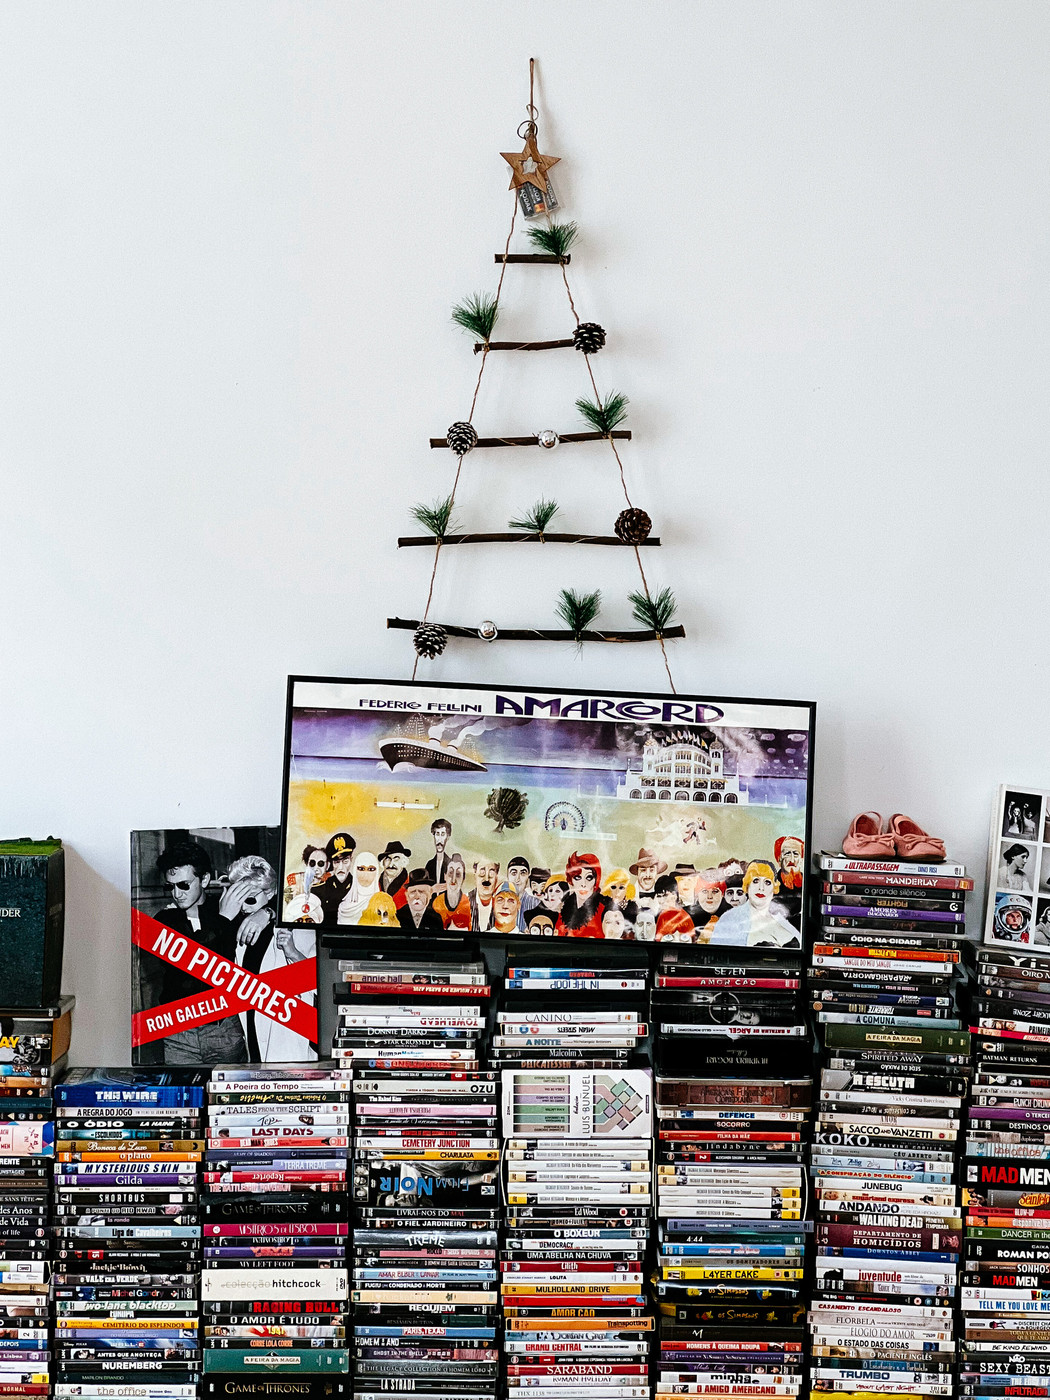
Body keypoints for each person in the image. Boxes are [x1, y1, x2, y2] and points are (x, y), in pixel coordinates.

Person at [146, 840, 247, 1065]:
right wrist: (224, 921)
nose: (176, 894)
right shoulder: (164, 920)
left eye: (183, 885)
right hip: (179, 1033)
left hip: (224, 1030)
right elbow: (195, 964)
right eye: (170, 886)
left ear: (204, 879)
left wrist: (266, 913)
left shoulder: (223, 910)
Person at [706, 860, 800, 947]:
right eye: (755, 881)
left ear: (774, 888)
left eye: (767, 882)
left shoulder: (782, 921)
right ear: (747, 885)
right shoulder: (729, 920)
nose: (761, 888)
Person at [556, 852, 609, 937]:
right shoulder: (562, 910)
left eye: (589, 878)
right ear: (571, 880)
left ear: (596, 880)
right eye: (577, 878)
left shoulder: (605, 911)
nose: (583, 884)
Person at [313, 834, 357, 925]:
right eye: (337, 862)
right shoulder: (320, 889)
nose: (341, 867)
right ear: (331, 863)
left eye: (345, 861)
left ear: (351, 860)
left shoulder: (359, 888)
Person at [431, 853, 471, 930]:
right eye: (450, 873)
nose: (453, 879)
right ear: (445, 876)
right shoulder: (437, 903)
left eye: (458, 874)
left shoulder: (469, 904)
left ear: (463, 878)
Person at [341, 850, 381, 923]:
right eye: (361, 869)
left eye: (371, 869)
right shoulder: (344, 905)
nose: (365, 874)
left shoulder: (382, 904)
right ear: (355, 871)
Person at [507, 855, 539, 929]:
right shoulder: (497, 903)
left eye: (522, 873)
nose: (517, 879)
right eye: (513, 873)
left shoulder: (536, 904)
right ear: (507, 876)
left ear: (528, 877)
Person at [469, 859, 500, 932]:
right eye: (482, 873)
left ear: (496, 878)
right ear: (475, 876)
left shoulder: (502, 905)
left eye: (491, 873)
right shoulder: (464, 901)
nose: (486, 879)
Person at [424, 819, 452, 890]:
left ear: (447, 837)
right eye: (437, 834)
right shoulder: (429, 865)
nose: (439, 839)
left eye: (442, 834)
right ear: (434, 836)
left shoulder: (451, 864)